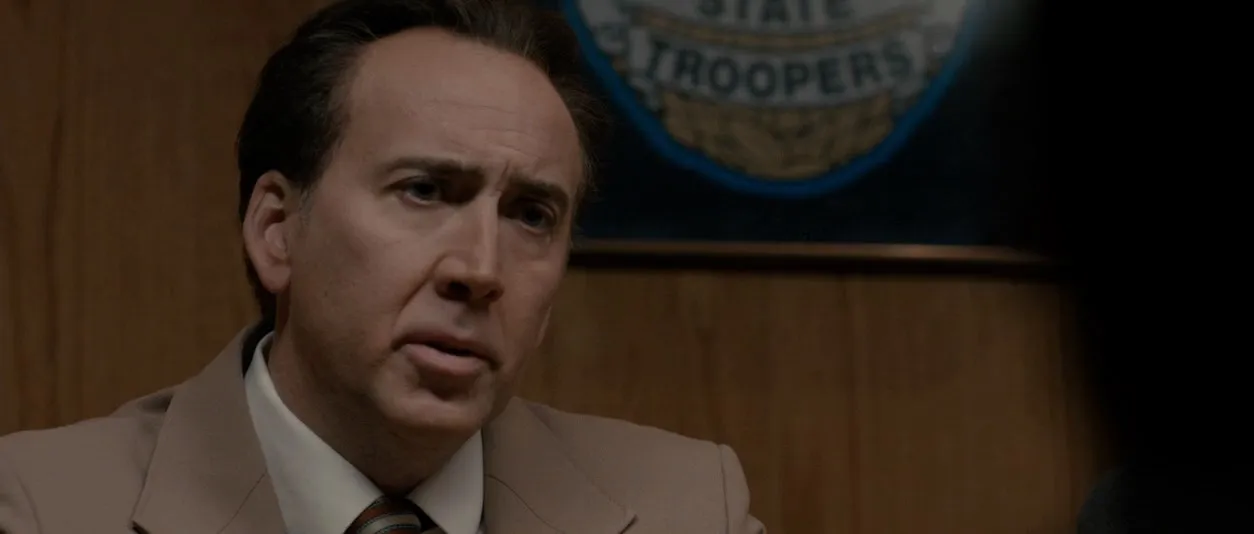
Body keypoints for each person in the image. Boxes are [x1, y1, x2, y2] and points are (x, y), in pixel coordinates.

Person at [0, 1, 766, 532]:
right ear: (276, 231)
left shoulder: (691, 509)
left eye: (531, 215)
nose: (481, 269)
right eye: (424, 191)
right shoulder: (39, 507)